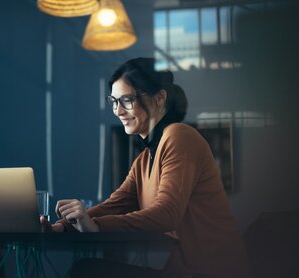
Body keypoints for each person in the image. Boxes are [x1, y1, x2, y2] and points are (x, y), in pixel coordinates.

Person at [42, 57, 250, 277]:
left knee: (86, 271)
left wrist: (96, 226)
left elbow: (167, 214)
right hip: (183, 271)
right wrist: (62, 226)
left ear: (159, 98)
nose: (118, 111)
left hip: (214, 271)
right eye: (114, 101)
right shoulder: (143, 159)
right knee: (86, 269)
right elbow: (114, 205)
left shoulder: (179, 135)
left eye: (127, 100)